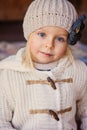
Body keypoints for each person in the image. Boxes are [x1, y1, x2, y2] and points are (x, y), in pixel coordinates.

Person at [0, 0, 87, 130]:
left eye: (60, 39)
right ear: (29, 34)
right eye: (42, 34)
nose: (49, 44)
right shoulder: (8, 74)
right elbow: (1, 121)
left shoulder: (78, 71)